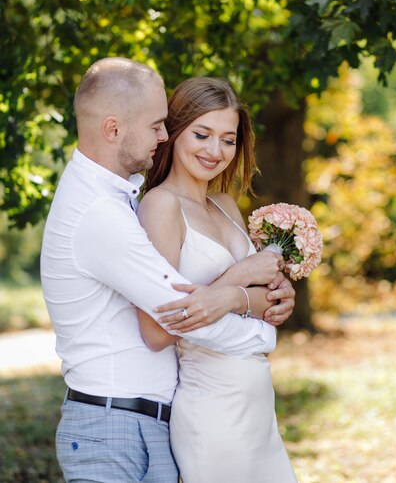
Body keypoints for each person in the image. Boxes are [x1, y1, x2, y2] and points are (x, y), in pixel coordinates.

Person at [40, 57, 295, 483]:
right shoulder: (107, 210)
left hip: (159, 418)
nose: (163, 134)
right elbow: (167, 321)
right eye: (160, 126)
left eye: (228, 139)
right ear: (113, 129)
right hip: (119, 421)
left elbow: (233, 297)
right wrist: (242, 298)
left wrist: (262, 296)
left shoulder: (121, 197)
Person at [138, 76, 298, 483]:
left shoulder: (226, 205)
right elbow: (158, 329)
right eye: (202, 134)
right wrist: (238, 281)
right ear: (174, 132)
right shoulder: (160, 206)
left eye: (228, 139)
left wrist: (275, 297)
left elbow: (260, 303)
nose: (215, 151)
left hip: (258, 404)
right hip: (213, 408)